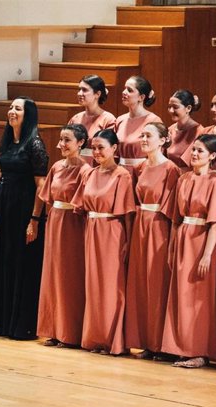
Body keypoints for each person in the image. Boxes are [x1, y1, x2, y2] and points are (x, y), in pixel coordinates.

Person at [162, 134, 216, 368]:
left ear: (212, 156)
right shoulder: (183, 179)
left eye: (200, 151)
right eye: (193, 150)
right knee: (181, 295)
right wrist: (171, 247)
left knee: (198, 298)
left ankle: (199, 350)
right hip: (183, 238)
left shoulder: (215, 182)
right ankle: (180, 347)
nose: (194, 154)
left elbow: (215, 222)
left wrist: (208, 254)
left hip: (201, 241)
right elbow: (174, 219)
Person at [71, 128, 136, 355]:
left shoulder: (122, 175)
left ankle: (113, 339)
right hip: (92, 230)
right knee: (94, 285)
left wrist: (128, 240)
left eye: (102, 148)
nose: (97, 152)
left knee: (111, 286)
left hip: (112, 233)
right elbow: (79, 206)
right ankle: (95, 337)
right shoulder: (89, 174)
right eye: (94, 148)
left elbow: (127, 213)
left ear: (114, 149)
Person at [0, 96, 49, 340]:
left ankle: (23, 325)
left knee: (23, 264)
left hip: (25, 209)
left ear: (28, 115)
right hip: (5, 208)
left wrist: (34, 219)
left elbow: (41, 185)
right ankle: (5, 322)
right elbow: (2, 179)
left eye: (18, 108)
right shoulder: (7, 142)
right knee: (6, 260)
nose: (11, 111)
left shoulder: (34, 143)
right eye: (11, 107)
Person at [124, 122, 181, 359]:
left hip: (160, 226)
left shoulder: (171, 169)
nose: (143, 139)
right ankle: (146, 340)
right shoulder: (139, 168)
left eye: (148, 135)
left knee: (158, 283)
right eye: (142, 135)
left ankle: (161, 343)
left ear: (163, 139)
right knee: (141, 283)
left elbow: (173, 205)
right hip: (141, 225)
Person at [37, 124, 90, 347]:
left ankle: (71, 332)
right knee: (53, 275)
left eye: (67, 140)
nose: (62, 144)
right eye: (60, 139)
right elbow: (47, 196)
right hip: (55, 221)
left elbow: (84, 201)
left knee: (70, 277)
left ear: (80, 143)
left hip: (73, 224)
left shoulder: (86, 170)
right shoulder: (57, 166)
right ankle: (55, 329)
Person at [114, 75, 162, 173]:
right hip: (121, 172)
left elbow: (159, 154)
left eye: (130, 90)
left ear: (141, 97)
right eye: (124, 88)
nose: (124, 92)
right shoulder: (120, 120)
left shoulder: (154, 120)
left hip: (143, 172)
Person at [68, 74, 116, 163]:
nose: (80, 93)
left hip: (97, 167)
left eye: (84, 90)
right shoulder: (75, 118)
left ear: (97, 94)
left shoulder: (108, 119)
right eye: (79, 89)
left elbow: (109, 151)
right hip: (75, 167)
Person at [166, 89, 203, 169]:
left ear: (188, 108)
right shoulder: (170, 130)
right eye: (169, 107)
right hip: (170, 176)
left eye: (175, 107)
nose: (171, 111)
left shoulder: (200, 132)